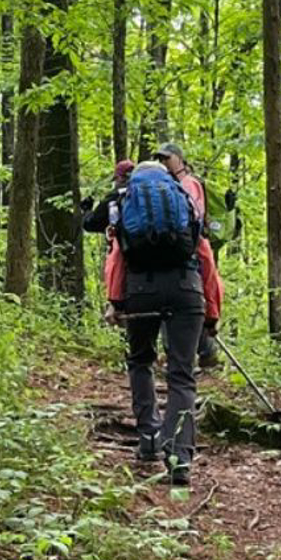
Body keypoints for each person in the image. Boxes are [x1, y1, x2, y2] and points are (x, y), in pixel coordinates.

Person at [118, 159, 203, 486]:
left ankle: (149, 438)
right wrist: (211, 311)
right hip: (187, 289)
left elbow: (116, 259)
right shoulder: (184, 201)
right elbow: (204, 255)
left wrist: (116, 302)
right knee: (182, 375)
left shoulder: (127, 201)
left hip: (141, 290)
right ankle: (179, 459)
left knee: (140, 361)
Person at [154, 142, 224, 368]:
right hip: (182, 249)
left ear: (179, 159)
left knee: (197, 297)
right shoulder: (170, 185)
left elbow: (193, 215)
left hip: (192, 247)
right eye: (161, 159)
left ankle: (200, 352)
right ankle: (198, 352)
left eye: (167, 157)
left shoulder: (189, 183)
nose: (164, 162)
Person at [82, 160, 137, 318]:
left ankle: (115, 305)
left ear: (119, 178)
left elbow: (91, 224)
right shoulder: (147, 194)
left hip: (125, 256)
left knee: (116, 265)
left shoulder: (114, 198)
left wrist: (86, 210)